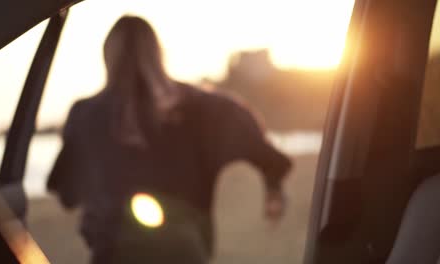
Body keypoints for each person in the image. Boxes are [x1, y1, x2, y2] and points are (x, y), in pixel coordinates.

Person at [47, 15, 291, 264]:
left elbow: (67, 194)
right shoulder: (200, 105)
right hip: (186, 253)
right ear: (158, 54)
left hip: (113, 255)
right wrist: (273, 185)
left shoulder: (86, 114)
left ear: (107, 57)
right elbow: (257, 144)